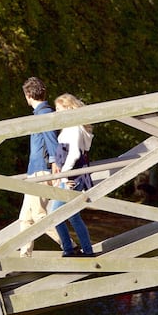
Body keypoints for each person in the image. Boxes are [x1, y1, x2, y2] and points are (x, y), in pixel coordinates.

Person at [18, 77, 75, 257]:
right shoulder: (40, 113)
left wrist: (55, 163)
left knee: (39, 216)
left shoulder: (43, 114)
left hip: (41, 170)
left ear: (28, 95)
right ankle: (24, 256)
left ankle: (69, 245)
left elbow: (51, 139)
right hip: (34, 169)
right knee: (25, 218)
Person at [50, 93, 96, 257]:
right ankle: (84, 250)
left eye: (58, 109)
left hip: (71, 177)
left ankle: (70, 249)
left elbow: (75, 153)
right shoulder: (74, 127)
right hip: (72, 176)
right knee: (73, 215)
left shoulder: (74, 128)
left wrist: (64, 176)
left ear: (68, 108)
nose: (56, 112)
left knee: (55, 214)